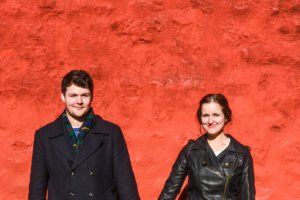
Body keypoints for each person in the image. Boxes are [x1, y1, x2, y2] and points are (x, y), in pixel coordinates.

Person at [29, 70, 140, 200]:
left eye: (85, 95)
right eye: (73, 95)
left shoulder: (111, 133)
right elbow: (37, 189)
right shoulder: (45, 136)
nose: (79, 101)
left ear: (91, 97)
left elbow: (126, 184)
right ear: (63, 97)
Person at [159, 94, 255, 200]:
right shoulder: (191, 151)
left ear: (226, 116)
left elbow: (248, 196)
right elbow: (169, 191)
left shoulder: (241, 155)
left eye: (216, 115)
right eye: (205, 115)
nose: (210, 121)